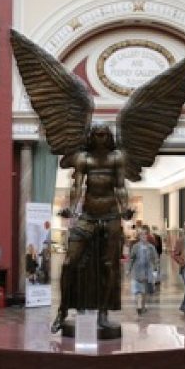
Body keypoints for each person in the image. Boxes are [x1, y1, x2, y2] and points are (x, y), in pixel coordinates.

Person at [51, 122, 133, 334]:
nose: (101, 139)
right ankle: (62, 311)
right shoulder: (83, 158)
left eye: (104, 135)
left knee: (109, 266)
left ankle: (103, 312)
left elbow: (120, 186)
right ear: (91, 136)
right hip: (87, 214)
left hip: (111, 214)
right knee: (69, 263)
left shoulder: (117, 157)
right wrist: (71, 208)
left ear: (110, 137)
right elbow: (77, 185)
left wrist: (125, 208)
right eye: (97, 135)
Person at [127, 228, 159, 315]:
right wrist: (128, 269)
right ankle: (139, 306)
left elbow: (155, 259)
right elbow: (131, 258)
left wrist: (155, 270)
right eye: (142, 235)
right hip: (137, 270)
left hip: (147, 270)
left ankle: (143, 306)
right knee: (138, 290)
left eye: (145, 235)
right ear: (139, 236)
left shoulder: (151, 247)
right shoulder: (135, 246)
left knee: (144, 290)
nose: (144, 236)